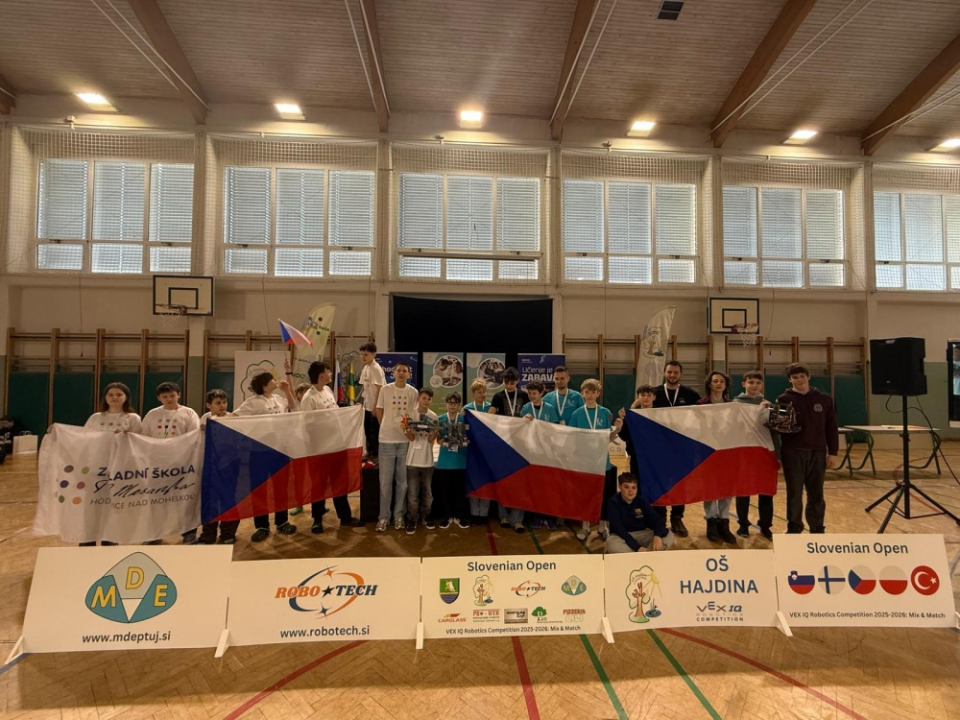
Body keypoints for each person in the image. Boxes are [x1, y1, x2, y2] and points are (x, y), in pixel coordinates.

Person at [234, 371, 298, 542]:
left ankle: (282, 521)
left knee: (281, 488)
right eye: (272, 379)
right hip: (259, 451)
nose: (276, 381)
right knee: (259, 489)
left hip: (280, 450)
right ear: (264, 385)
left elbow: (293, 406)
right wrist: (215, 421)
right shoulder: (252, 402)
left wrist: (287, 390)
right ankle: (262, 526)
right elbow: (235, 417)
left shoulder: (278, 398)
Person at [777, 363, 839, 534]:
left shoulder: (824, 399)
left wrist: (833, 452)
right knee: (794, 493)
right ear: (790, 380)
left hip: (817, 452)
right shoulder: (783, 399)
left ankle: (817, 527)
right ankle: (794, 526)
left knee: (816, 493)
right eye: (795, 377)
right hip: (792, 452)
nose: (799, 380)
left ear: (808, 376)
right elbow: (779, 427)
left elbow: (831, 428)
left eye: (802, 376)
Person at [300, 361, 362, 533]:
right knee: (319, 485)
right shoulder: (309, 398)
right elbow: (307, 426)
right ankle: (317, 519)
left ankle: (345, 517)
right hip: (320, 449)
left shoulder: (327, 390)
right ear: (321, 375)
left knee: (339, 482)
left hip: (336, 446)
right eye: (328, 371)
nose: (330, 373)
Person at [81, 382, 141, 546]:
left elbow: (139, 442)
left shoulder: (133, 418)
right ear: (105, 397)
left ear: (126, 397)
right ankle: (87, 539)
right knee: (92, 505)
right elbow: (84, 439)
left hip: (119, 469)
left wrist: (127, 436)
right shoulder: (96, 418)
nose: (115, 398)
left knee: (114, 505)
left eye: (119, 394)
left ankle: (110, 539)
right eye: (111, 395)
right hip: (96, 467)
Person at [141, 381, 201, 544]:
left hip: (182, 464)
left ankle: (188, 532)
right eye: (165, 396)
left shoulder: (189, 413)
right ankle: (155, 534)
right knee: (157, 500)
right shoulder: (152, 414)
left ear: (178, 395)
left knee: (185, 499)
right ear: (159, 398)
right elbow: (144, 437)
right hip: (157, 465)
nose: (169, 399)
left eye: (172, 395)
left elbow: (193, 436)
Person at [569, 378, 623, 541]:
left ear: (598, 393)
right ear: (582, 394)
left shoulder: (605, 413)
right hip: (584, 461)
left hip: (602, 461)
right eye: (587, 392)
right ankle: (585, 526)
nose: (590, 395)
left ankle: (602, 526)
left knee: (603, 495)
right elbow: (572, 437)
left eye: (593, 392)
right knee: (586, 495)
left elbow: (608, 438)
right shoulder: (577, 414)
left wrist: (617, 430)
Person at [652, 360, 700, 537]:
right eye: (669, 372)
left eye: (676, 372)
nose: (672, 375)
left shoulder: (690, 394)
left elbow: (705, 413)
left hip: (682, 447)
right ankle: (660, 518)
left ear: (681, 374)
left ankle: (677, 518)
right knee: (661, 483)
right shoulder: (655, 392)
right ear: (664, 373)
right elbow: (639, 407)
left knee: (680, 483)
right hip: (660, 448)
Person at [375, 362, 420, 532]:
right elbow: (379, 410)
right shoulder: (385, 390)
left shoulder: (413, 392)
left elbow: (414, 415)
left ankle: (399, 516)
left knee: (402, 482)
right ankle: (383, 517)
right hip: (386, 441)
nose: (401, 373)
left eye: (404, 371)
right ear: (393, 373)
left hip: (404, 442)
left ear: (409, 374)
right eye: (398, 370)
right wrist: (385, 426)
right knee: (385, 482)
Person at [696, 372, 737, 544]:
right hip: (708, 452)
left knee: (727, 488)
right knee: (710, 488)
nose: (719, 384)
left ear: (726, 385)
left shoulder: (732, 406)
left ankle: (724, 522)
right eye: (715, 381)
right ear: (709, 384)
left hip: (727, 452)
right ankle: (711, 522)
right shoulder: (700, 405)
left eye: (722, 381)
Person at [734, 370, 774, 540]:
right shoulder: (735, 405)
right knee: (743, 490)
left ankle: (765, 525)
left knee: (766, 491)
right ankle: (743, 525)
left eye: (758, 383)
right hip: (743, 452)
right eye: (751, 382)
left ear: (762, 385)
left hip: (764, 452)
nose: (754, 386)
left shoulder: (768, 405)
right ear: (744, 384)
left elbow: (774, 432)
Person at [197, 389, 240, 545]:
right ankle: (208, 534)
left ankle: (228, 533)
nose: (222, 405)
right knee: (211, 500)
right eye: (218, 403)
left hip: (229, 465)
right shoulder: (204, 418)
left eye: (224, 402)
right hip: (210, 465)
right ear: (209, 405)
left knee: (229, 499)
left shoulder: (233, 418)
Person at [489, 367, 528, 532]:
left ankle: (517, 519)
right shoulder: (498, 396)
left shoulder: (524, 396)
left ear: (517, 381)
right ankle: (503, 515)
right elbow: (490, 415)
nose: (509, 385)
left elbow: (530, 414)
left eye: (512, 382)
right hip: (503, 444)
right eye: (506, 382)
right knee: (503, 481)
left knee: (520, 483)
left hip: (521, 444)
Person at [521, 381, 560, 530]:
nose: (532, 396)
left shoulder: (549, 408)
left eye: (534, 393)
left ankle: (550, 518)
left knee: (548, 488)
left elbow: (555, 430)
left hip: (547, 453)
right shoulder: (526, 408)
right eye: (529, 393)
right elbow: (520, 430)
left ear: (541, 393)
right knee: (535, 487)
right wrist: (524, 422)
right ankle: (536, 517)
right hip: (532, 453)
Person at [605, 473, 674, 553]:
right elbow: (619, 529)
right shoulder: (613, 503)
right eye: (626, 487)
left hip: (642, 534)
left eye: (633, 487)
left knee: (669, 535)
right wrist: (637, 548)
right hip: (622, 536)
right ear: (619, 487)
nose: (630, 491)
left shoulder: (641, 500)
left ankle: (643, 553)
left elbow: (657, 519)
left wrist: (657, 535)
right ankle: (649, 553)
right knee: (611, 544)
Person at [432, 392, 470, 530]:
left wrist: (463, 442)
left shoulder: (464, 419)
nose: (453, 406)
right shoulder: (440, 419)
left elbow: (468, 437)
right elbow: (438, 440)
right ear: (446, 404)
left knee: (460, 492)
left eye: (455, 403)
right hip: (445, 461)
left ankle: (459, 516)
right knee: (445, 492)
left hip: (460, 460)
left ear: (459, 405)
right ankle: (447, 516)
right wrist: (444, 442)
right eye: (450, 403)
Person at [404, 388, 438, 534]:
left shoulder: (433, 416)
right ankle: (412, 519)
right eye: (424, 398)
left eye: (429, 399)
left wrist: (434, 433)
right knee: (412, 494)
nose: (426, 401)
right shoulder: (410, 414)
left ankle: (426, 516)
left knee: (428, 493)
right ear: (418, 399)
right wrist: (407, 430)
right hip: (412, 460)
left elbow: (431, 440)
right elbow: (410, 438)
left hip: (427, 461)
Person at [463, 379, 492, 524]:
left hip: (487, 451)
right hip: (472, 450)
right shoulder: (467, 409)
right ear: (473, 394)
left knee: (486, 482)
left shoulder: (490, 408)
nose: (482, 394)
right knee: (473, 481)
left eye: (484, 392)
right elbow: (463, 429)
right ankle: (474, 513)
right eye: (479, 392)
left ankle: (484, 514)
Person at [359, 341, 386, 461]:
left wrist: (376, 406)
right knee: (367, 429)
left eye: (366, 354)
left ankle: (376, 454)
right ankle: (369, 452)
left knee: (374, 430)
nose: (363, 357)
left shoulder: (375, 368)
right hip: (368, 405)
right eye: (361, 354)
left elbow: (380, 388)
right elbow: (365, 388)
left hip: (375, 406)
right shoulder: (366, 368)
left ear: (374, 354)